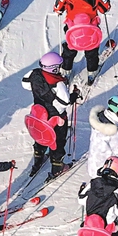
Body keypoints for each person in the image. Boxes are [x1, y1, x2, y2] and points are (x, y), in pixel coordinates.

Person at [21, 51, 76, 180]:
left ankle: (38, 158)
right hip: (55, 118)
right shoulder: (58, 83)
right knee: (57, 142)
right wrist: (74, 95)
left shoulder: (34, 74)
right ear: (55, 68)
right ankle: (57, 167)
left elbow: (25, 83)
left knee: (40, 136)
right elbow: (65, 102)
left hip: (39, 115)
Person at [54, 0, 112, 83]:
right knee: (91, 49)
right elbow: (105, 7)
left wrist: (59, 10)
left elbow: (58, 7)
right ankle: (92, 71)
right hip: (91, 28)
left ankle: (66, 70)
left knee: (70, 47)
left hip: (73, 28)